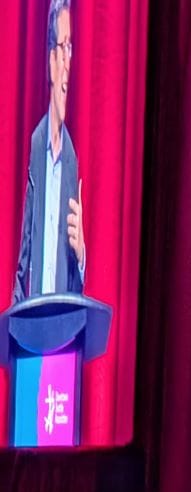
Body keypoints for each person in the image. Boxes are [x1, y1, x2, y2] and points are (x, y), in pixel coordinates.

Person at [11, 0, 86, 306]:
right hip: (28, 319)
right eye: (62, 47)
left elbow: (73, 280)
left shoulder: (71, 159)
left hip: (59, 322)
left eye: (71, 48)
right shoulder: (31, 144)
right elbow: (21, 253)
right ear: (51, 59)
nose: (68, 61)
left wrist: (81, 254)